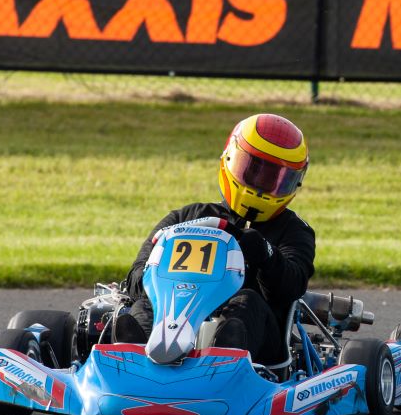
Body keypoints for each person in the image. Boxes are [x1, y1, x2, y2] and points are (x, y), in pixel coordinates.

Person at [116, 113, 316, 370]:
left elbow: (293, 286)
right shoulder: (185, 218)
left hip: (256, 345)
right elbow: (135, 278)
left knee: (247, 301)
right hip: (177, 318)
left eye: (276, 179)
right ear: (231, 158)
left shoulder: (294, 230)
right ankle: (135, 360)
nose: (262, 186)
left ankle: (222, 362)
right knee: (145, 304)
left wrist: (266, 255)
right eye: (255, 170)